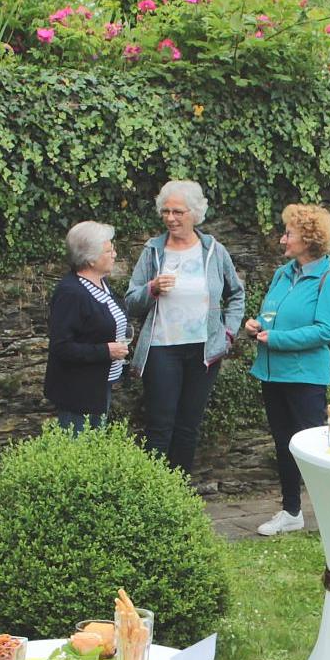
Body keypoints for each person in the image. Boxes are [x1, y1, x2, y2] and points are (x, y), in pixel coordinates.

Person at [124, 180, 246, 476]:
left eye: (177, 211)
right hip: (161, 349)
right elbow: (130, 301)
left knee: (188, 426)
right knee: (160, 425)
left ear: (194, 213)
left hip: (203, 351)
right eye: (165, 211)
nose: (170, 218)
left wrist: (228, 333)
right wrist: (151, 288)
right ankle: (155, 497)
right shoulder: (152, 251)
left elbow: (237, 294)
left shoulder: (214, 251)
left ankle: (180, 497)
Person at [245, 204, 330, 537]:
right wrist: (257, 324)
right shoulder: (282, 274)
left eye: (288, 233)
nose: (282, 239)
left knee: (314, 448)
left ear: (308, 239)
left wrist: (276, 339)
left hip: (305, 378)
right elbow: (273, 315)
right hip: (272, 374)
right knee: (283, 444)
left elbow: (326, 331)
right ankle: (291, 512)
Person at [45, 220, 130, 431]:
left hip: (99, 387)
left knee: (95, 447)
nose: (115, 254)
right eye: (109, 251)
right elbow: (61, 346)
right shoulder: (71, 293)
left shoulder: (100, 283)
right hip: (77, 392)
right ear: (91, 259)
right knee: (79, 452)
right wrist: (105, 351)